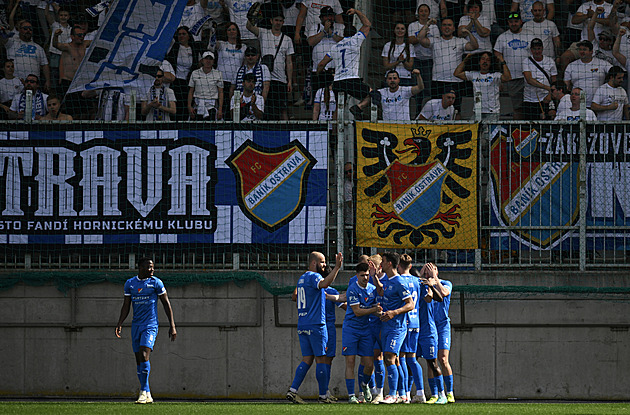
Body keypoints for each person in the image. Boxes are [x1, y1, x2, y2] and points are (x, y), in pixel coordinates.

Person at [115, 258, 176, 404]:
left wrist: (172, 325)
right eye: (149, 267)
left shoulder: (156, 283)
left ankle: (142, 391)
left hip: (150, 325)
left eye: (153, 267)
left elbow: (166, 304)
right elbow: (126, 305)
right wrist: (120, 323)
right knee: (138, 359)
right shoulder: (130, 283)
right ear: (141, 268)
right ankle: (147, 392)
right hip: (136, 325)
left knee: (144, 354)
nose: (152, 270)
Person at [286, 251, 343, 404]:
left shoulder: (302, 278)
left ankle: (293, 390)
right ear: (313, 263)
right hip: (316, 324)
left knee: (307, 359)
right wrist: (337, 267)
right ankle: (324, 395)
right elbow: (324, 284)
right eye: (322, 262)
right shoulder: (314, 276)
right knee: (322, 359)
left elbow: (294, 296)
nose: (324, 265)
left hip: (303, 324)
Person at [317, 8, 374, 121]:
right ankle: (358, 107)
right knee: (373, 94)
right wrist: (357, 12)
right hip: (351, 80)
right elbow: (367, 25)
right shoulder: (355, 40)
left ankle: (333, 135)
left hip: (337, 83)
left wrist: (320, 74)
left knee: (339, 108)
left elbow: (321, 64)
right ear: (355, 33)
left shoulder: (335, 46)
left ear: (343, 33)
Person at [338, 262, 382, 404]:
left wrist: (380, 312)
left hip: (365, 330)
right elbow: (357, 311)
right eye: (362, 275)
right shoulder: (352, 289)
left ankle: (364, 385)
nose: (365, 277)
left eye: (367, 275)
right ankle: (351, 395)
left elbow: (375, 309)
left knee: (369, 364)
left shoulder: (373, 289)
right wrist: (374, 310)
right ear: (357, 275)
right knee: (350, 361)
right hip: (351, 329)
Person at [376, 252, 414, 404]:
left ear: (389, 263)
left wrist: (394, 312)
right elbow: (385, 295)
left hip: (397, 327)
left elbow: (410, 304)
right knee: (394, 360)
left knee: (389, 358)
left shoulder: (399, 282)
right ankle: (402, 393)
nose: (381, 264)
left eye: (383, 261)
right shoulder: (388, 281)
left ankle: (393, 394)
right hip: (386, 325)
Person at [417, 18, 478, 112]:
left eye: (449, 25)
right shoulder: (435, 41)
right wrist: (428, 23)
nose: (447, 27)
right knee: (436, 110)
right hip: (438, 81)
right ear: (441, 28)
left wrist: (468, 33)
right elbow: (420, 39)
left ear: (454, 28)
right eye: (444, 25)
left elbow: (474, 46)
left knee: (456, 111)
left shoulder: (460, 41)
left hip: (456, 81)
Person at [247, 8, 294, 120]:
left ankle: (284, 132)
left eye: (280, 20)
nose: (278, 23)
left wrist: (290, 81)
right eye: (276, 20)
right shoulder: (263, 33)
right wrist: (251, 16)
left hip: (281, 79)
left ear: (283, 22)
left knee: (282, 108)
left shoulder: (287, 39)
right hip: (263, 78)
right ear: (271, 21)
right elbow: (248, 27)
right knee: (263, 107)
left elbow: (289, 61)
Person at [413, 263, 447, 405]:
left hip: (428, 331)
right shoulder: (410, 286)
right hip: (413, 330)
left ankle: (442, 394)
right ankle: (410, 394)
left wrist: (431, 285)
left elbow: (439, 297)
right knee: (410, 361)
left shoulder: (427, 287)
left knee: (433, 363)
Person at [493, 12, 535, 120]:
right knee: (517, 108)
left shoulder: (529, 35)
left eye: (516, 21)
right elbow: (497, 54)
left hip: (529, 77)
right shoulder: (502, 37)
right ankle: (519, 134)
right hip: (512, 78)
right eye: (511, 22)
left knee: (530, 107)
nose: (514, 24)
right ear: (508, 23)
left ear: (521, 22)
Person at [397, 254, 426, 404]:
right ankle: (419, 392)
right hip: (416, 323)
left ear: (398, 265)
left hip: (404, 322)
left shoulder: (398, 280)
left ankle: (404, 394)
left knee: (401, 358)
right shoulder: (417, 281)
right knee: (412, 359)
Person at [454, 51, 511, 120]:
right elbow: (457, 73)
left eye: (488, 60)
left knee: (490, 131)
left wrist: (502, 62)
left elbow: (508, 78)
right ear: (479, 62)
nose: (485, 61)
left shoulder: (496, 75)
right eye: (483, 59)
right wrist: (465, 60)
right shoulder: (473, 74)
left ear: (491, 63)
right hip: (477, 111)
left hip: (492, 111)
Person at [165, 26, 204, 121]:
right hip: (175, 82)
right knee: (175, 105)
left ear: (189, 36)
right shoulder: (173, 46)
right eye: (179, 34)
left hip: (188, 82)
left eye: (184, 34)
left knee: (186, 105)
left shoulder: (194, 49)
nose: (181, 36)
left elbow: (199, 63)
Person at [52, 26, 91, 119]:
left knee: (81, 111)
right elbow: (55, 44)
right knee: (66, 110)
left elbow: (98, 40)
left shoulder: (85, 44)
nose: (81, 37)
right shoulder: (67, 47)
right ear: (72, 36)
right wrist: (55, 36)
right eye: (79, 35)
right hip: (67, 82)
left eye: (83, 35)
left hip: (79, 83)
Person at [307, 6, 343, 105]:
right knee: (318, 100)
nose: (329, 18)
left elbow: (344, 42)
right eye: (326, 16)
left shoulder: (340, 27)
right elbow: (310, 42)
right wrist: (324, 32)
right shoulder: (315, 27)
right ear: (321, 18)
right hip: (318, 71)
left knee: (335, 100)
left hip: (335, 71)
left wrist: (331, 34)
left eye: (331, 16)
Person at [0, 20, 50, 92]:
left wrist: (48, 81)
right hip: (14, 83)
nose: (28, 30)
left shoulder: (39, 48)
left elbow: (45, 64)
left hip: (32, 84)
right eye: (25, 28)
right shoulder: (11, 43)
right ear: (19, 30)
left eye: (30, 29)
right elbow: (3, 39)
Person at [409, 4, 440, 109]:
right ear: (418, 13)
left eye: (425, 11)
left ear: (429, 13)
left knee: (427, 87)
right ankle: (416, 111)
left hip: (429, 60)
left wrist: (420, 37)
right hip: (416, 59)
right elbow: (411, 40)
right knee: (417, 86)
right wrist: (422, 37)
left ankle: (426, 111)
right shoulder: (412, 25)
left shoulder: (434, 27)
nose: (423, 13)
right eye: (421, 11)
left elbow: (435, 42)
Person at [564, 40, 612, 106]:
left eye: (584, 49)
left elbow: (615, 72)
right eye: (580, 49)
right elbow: (566, 86)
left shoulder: (602, 63)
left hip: (597, 103)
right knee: (583, 116)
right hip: (580, 104)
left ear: (591, 51)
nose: (581, 52)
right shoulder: (571, 66)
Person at [216, 22, 247, 119]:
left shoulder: (243, 47)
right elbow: (211, 44)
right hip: (221, 80)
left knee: (233, 106)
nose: (231, 32)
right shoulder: (221, 44)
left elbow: (244, 64)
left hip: (236, 82)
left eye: (234, 29)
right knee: (220, 105)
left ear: (237, 32)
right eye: (229, 30)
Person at [522, 37, 557, 120]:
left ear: (542, 48)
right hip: (530, 99)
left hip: (546, 98)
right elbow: (529, 80)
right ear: (531, 49)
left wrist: (550, 94)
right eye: (534, 49)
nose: (537, 51)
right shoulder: (526, 61)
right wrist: (548, 88)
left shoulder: (550, 61)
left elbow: (554, 82)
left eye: (539, 49)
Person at [433, 276, 454, 403]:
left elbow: (444, 293)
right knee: (432, 360)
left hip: (443, 326)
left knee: (443, 359)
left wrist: (435, 279)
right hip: (430, 326)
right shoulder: (425, 284)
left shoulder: (446, 283)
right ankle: (435, 394)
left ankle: (450, 392)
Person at [188, 51, 224, 120]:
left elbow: (221, 92)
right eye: (206, 59)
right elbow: (191, 91)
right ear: (202, 60)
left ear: (213, 61)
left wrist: (220, 109)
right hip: (197, 106)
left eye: (210, 59)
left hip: (212, 106)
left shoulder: (218, 74)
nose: (208, 61)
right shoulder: (195, 73)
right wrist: (189, 106)